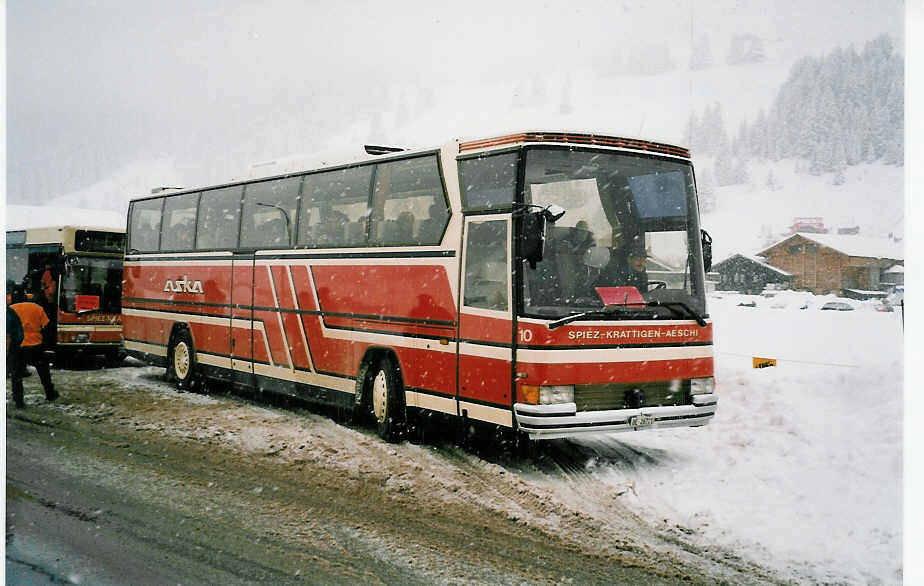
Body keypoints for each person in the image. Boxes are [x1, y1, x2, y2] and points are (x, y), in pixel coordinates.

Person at [10, 286, 58, 407]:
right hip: (35, 345)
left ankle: (19, 400)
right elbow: (46, 325)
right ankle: (50, 393)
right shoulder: (37, 308)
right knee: (43, 371)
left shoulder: (10, 309)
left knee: (16, 374)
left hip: (18, 346)